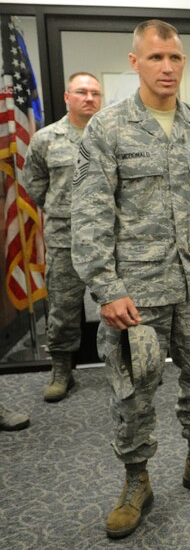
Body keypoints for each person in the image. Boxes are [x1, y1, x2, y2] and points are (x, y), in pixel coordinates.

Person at [71, 19, 190, 539]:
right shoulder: (108, 128)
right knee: (133, 390)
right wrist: (107, 289)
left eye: (175, 58)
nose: (167, 68)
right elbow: (88, 215)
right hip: (136, 292)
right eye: (156, 57)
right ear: (135, 62)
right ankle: (136, 481)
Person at [22, 72, 102, 402]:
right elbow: (34, 183)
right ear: (67, 97)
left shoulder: (112, 136)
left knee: (116, 302)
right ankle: (61, 369)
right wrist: (61, 209)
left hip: (106, 237)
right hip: (63, 238)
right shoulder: (46, 139)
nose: (89, 98)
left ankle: (123, 363)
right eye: (82, 92)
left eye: (95, 93)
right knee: (63, 306)